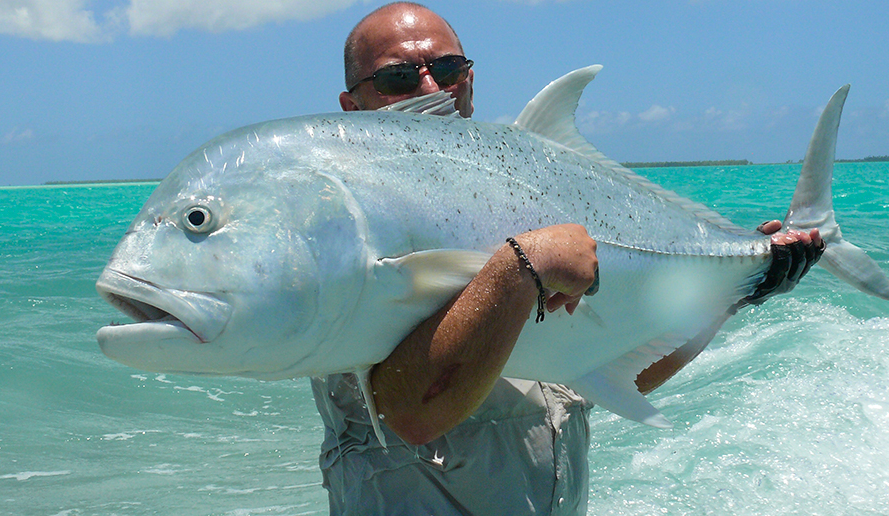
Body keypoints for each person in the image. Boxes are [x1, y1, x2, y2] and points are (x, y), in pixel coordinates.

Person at [312, 3, 824, 514]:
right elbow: (412, 412)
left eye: (447, 69)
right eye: (399, 78)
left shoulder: (522, 199)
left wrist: (733, 294)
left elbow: (604, 375)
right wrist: (521, 265)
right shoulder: (349, 231)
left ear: (469, 81)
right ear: (351, 107)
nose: (430, 89)